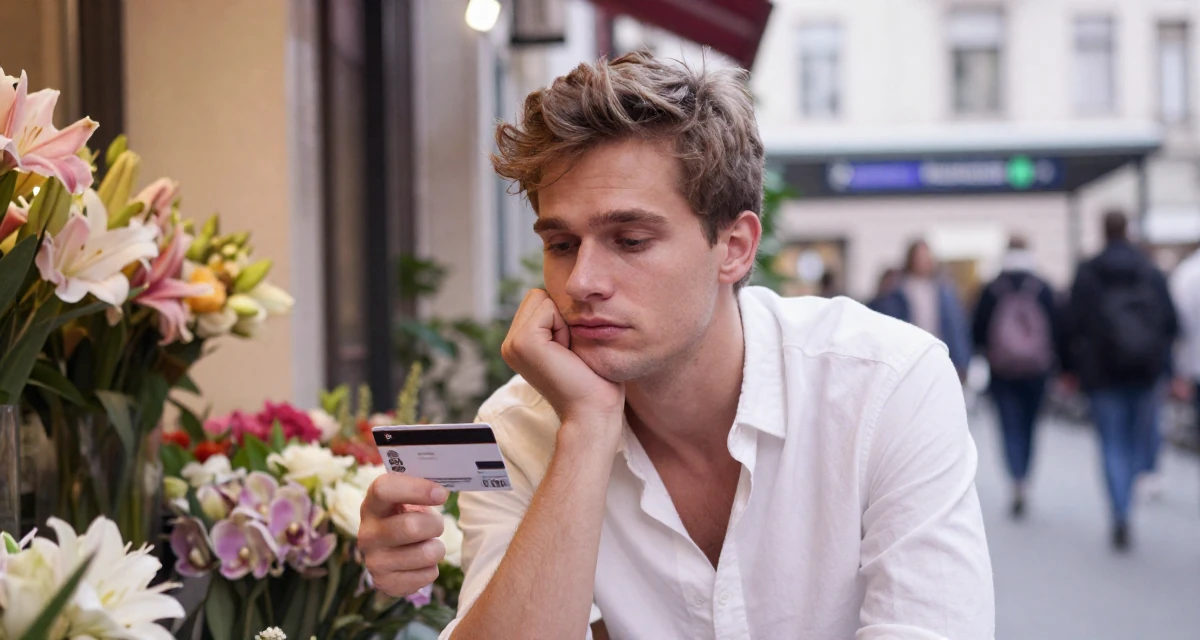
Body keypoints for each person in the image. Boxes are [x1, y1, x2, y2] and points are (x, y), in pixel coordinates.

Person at [358, 52, 994, 639]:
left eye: (630, 240)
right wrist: (587, 428)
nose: (582, 282)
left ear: (735, 247)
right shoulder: (521, 428)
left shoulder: (886, 384)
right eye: (560, 244)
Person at [1061, 211, 1178, 551]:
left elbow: (1072, 323)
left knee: (1112, 442)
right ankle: (1129, 500)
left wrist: (1070, 367)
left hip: (1102, 373)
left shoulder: (1089, 271)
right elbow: (1169, 322)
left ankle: (1120, 510)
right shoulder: (1148, 269)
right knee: (1136, 438)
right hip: (1143, 370)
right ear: (1127, 229)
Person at [971, 236, 1059, 519]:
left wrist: (985, 355)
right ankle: (1024, 476)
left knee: (1009, 425)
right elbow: (1058, 327)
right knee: (1030, 425)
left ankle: (1015, 476)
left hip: (1002, 370)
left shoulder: (993, 288)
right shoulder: (1042, 287)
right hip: (1036, 370)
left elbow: (978, 329)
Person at [874, 241, 973, 378]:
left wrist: (961, 361)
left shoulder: (943, 291)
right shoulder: (898, 290)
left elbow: (955, 327)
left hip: (939, 355)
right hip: (909, 358)